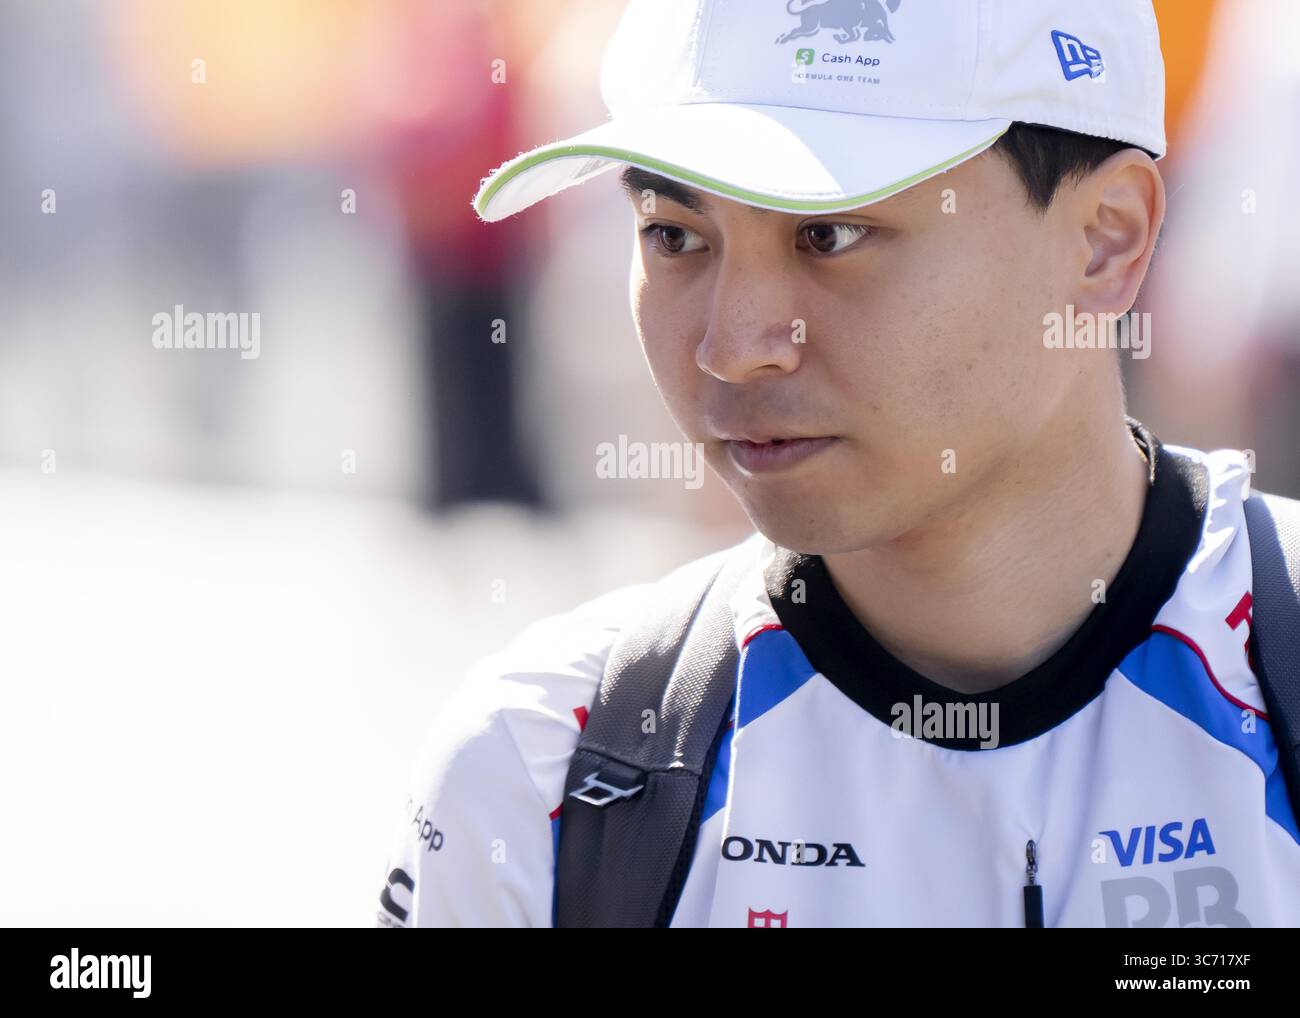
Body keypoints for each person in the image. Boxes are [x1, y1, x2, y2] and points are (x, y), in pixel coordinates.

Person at [375, 0, 1300, 927]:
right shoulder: (544, 771)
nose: (734, 346)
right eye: (675, 235)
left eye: (830, 234)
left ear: (1107, 240)